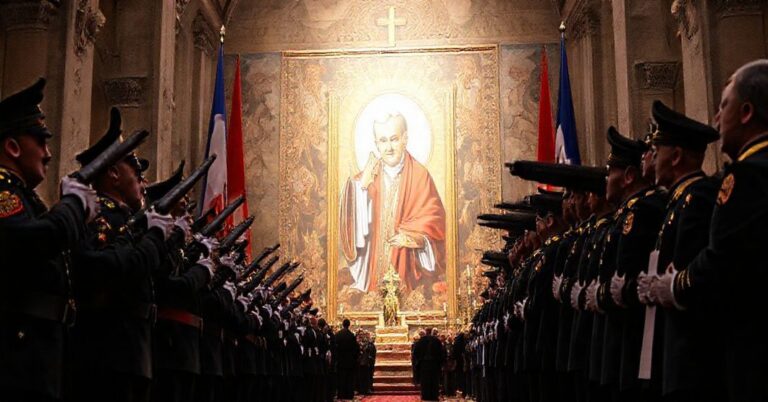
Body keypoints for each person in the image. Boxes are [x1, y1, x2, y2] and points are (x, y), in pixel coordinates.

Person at [652, 59, 768, 402]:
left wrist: (676, 283)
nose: (717, 119)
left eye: (724, 106)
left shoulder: (746, 176)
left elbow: (724, 260)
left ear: (746, 112)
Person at [0, 78, 97, 402]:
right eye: (41, 142)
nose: (49, 153)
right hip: (17, 353)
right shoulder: (3, 193)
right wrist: (71, 204)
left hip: (38, 351)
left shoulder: (26, 198)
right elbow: (31, 241)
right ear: (12, 147)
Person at [634, 100, 725, 402]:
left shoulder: (697, 197)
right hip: (673, 346)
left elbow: (698, 268)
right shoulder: (678, 200)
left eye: (656, 151)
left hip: (691, 348)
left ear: (675, 156)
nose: (652, 158)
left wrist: (670, 286)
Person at [339, 111, 446, 293]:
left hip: (408, 273)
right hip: (373, 272)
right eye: (383, 140)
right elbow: (349, 224)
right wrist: (362, 188)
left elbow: (436, 221)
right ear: (376, 144)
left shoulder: (420, 176)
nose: (388, 147)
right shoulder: (367, 177)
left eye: (394, 139)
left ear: (405, 139)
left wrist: (417, 239)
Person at [413, 327, 445, 402]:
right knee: (434, 379)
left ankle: (425, 395)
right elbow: (441, 352)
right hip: (434, 363)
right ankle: (434, 395)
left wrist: (419, 361)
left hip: (424, 363)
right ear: (431, 332)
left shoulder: (421, 341)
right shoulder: (437, 341)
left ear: (426, 332)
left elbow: (416, 353)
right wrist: (440, 362)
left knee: (425, 380)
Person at [334, 319, 359, 401]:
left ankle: (341, 394)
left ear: (342, 324)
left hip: (340, 360)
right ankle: (349, 394)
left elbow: (334, 348)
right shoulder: (351, 335)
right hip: (350, 361)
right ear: (349, 325)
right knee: (349, 379)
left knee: (341, 378)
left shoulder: (338, 334)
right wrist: (355, 359)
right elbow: (356, 349)